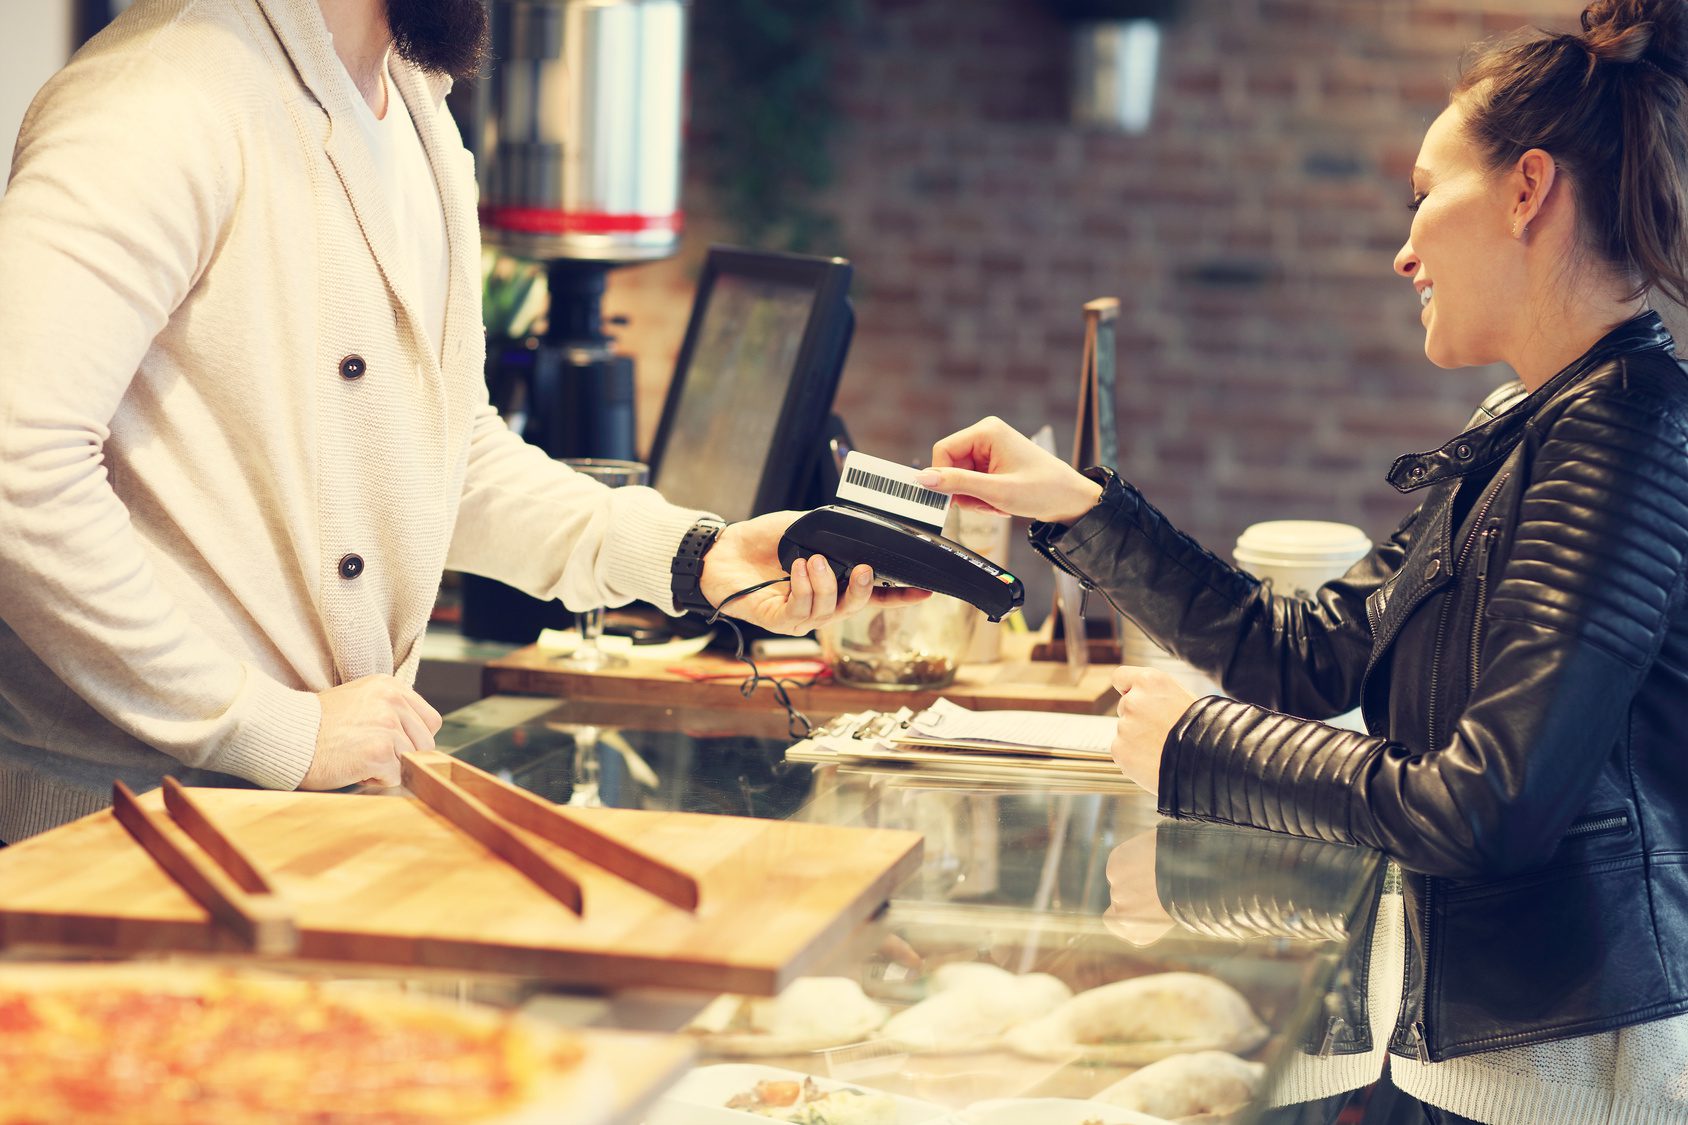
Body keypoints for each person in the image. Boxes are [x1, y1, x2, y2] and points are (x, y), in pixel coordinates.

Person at [918, 2, 1688, 1121]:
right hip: (1451, 1063)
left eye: (1423, 194)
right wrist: (1077, 507)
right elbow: (1310, 654)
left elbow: (1485, 811)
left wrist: (1198, 748)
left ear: (1527, 190)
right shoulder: (1529, 419)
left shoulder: (1620, 436)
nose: (1403, 245)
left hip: (1557, 1079)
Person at [0, 0, 920, 845]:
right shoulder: (155, 100)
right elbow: (18, 464)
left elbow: (453, 454)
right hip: (120, 833)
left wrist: (693, 558)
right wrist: (273, 727)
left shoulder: (416, 112)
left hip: (304, 824)